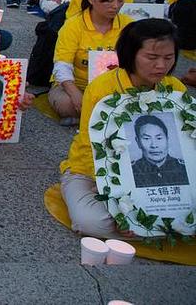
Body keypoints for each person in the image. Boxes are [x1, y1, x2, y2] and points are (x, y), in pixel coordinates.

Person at [59, 19, 186, 238]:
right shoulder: (102, 89)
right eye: (152, 57)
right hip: (94, 173)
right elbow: (92, 148)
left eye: (168, 58)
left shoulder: (175, 89)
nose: (161, 66)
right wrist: (114, 197)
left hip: (161, 180)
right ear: (130, 54)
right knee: (92, 223)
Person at [49, 0, 132, 121]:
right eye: (108, 0)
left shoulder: (128, 25)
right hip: (78, 84)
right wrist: (75, 93)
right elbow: (62, 65)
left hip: (116, 85)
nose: (115, 6)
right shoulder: (73, 25)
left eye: (120, 0)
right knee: (68, 105)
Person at [131, 114, 188, 187]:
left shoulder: (183, 168)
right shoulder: (132, 170)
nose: (154, 145)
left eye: (159, 138)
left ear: (167, 139)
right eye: (146, 138)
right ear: (138, 141)